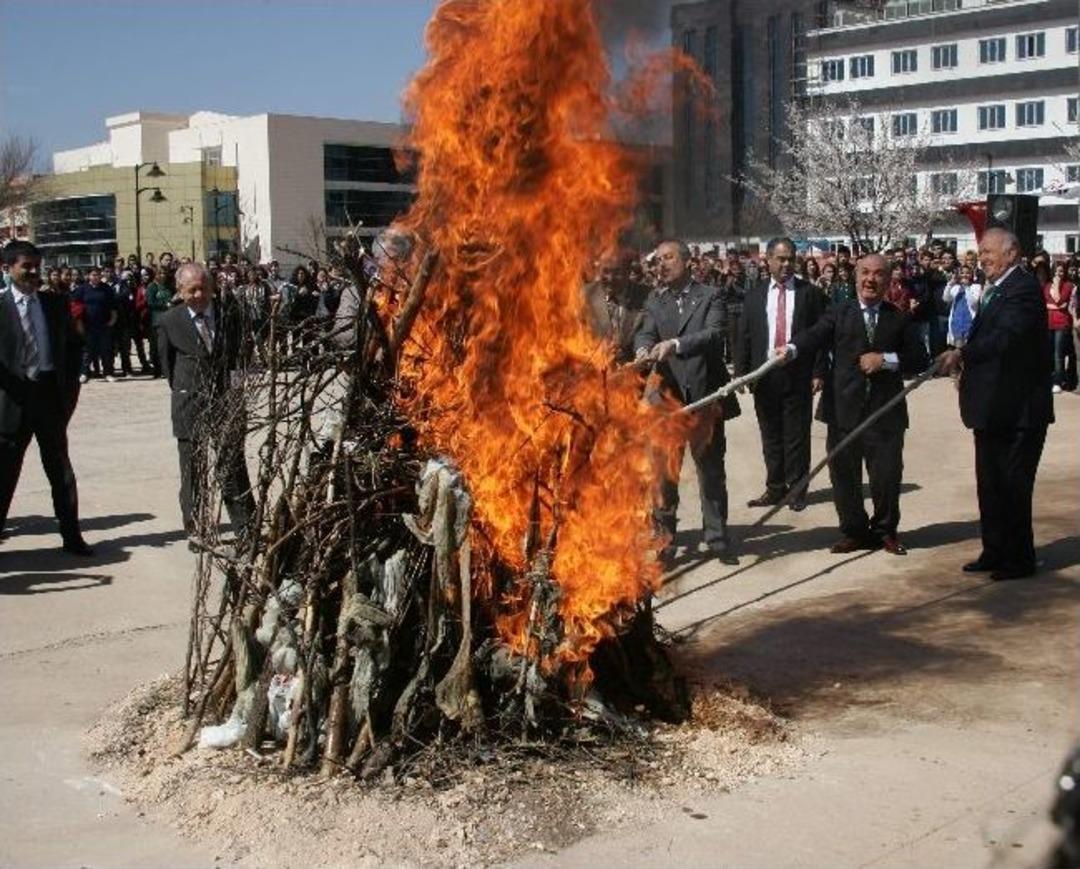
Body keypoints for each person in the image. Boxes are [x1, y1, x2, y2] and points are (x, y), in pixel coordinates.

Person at [777, 252, 929, 555]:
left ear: (888, 280)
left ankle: (885, 531)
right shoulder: (839, 312)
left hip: (885, 413)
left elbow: (919, 360)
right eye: (865, 273)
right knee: (844, 477)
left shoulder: (897, 317)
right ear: (855, 276)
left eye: (878, 274)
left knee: (886, 476)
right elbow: (814, 335)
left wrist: (885, 360)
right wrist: (792, 349)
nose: (870, 280)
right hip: (843, 411)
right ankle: (855, 532)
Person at [938, 228, 1053, 581]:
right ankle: (995, 550)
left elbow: (1007, 338)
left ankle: (1018, 559)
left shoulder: (1023, 289)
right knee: (989, 484)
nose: (982, 257)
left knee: (1013, 486)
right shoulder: (997, 288)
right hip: (992, 408)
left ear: (1012, 253)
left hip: (1018, 411)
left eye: (989, 252)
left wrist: (962, 354)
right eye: (980, 252)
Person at [634, 238, 741, 563]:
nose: (661, 265)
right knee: (664, 473)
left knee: (710, 470)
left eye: (668, 258)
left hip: (704, 397)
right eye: (657, 261)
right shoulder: (655, 299)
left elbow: (714, 334)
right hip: (666, 400)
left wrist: (676, 344)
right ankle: (664, 537)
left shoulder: (710, 295)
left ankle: (717, 537)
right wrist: (643, 348)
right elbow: (645, 332)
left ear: (686, 261)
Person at [0, 241, 92, 554]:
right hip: (12, 400)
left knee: (61, 471)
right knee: (5, 473)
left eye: (36, 265)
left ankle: (72, 536)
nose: (32, 271)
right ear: (8, 268)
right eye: (25, 265)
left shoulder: (55, 303)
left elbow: (75, 344)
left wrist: (68, 390)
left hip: (49, 396)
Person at [156, 263, 255, 545]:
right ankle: (196, 528)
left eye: (204, 288)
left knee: (232, 466)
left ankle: (245, 527)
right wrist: (188, 389)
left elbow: (241, 357)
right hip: (190, 402)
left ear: (212, 288)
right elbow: (167, 366)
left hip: (227, 401)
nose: (199, 295)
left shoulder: (230, 315)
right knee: (192, 469)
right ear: (180, 291)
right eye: (192, 290)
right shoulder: (169, 321)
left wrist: (235, 393)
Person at [735, 237, 825, 511]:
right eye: (781, 259)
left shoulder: (810, 294)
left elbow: (821, 333)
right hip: (765, 375)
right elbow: (744, 335)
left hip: (799, 374)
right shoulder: (755, 295)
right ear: (768, 260)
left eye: (791, 259)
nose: (786, 264)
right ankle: (775, 488)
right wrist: (742, 372)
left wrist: (819, 370)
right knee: (771, 436)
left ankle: (797, 489)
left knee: (797, 435)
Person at [581, 250, 648, 364]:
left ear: (628, 272)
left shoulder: (646, 296)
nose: (610, 278)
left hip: (635, 372)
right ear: (598, 270)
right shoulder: (585, 295)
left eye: (617, 273)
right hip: (595, 371)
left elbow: (650, 334)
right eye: (605, 272)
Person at [1044, 262, 1076, 393]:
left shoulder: (1068, 286)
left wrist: (1057, 286)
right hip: (1048, 323)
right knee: (1049, 352)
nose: (1058, 274)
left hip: (1062, 324)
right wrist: (1056, 306)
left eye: (1061, 271)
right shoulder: (1047, 286)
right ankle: (1050, 379)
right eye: (1056, 271)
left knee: (1059, 353)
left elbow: (1060, 301)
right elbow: (1045, 303)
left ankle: (1058, 381)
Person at [942, 265, 982, 348]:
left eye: (967, 273)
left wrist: (967, 287)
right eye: (962, 273)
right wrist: (949, 284)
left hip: (970, 325)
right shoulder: (956, 287)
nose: (965, 275)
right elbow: (946, 298)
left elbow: (973, 303)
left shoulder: (976, 287)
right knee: (958, 352)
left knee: (968, 352)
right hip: (956, 325)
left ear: (971, 274)